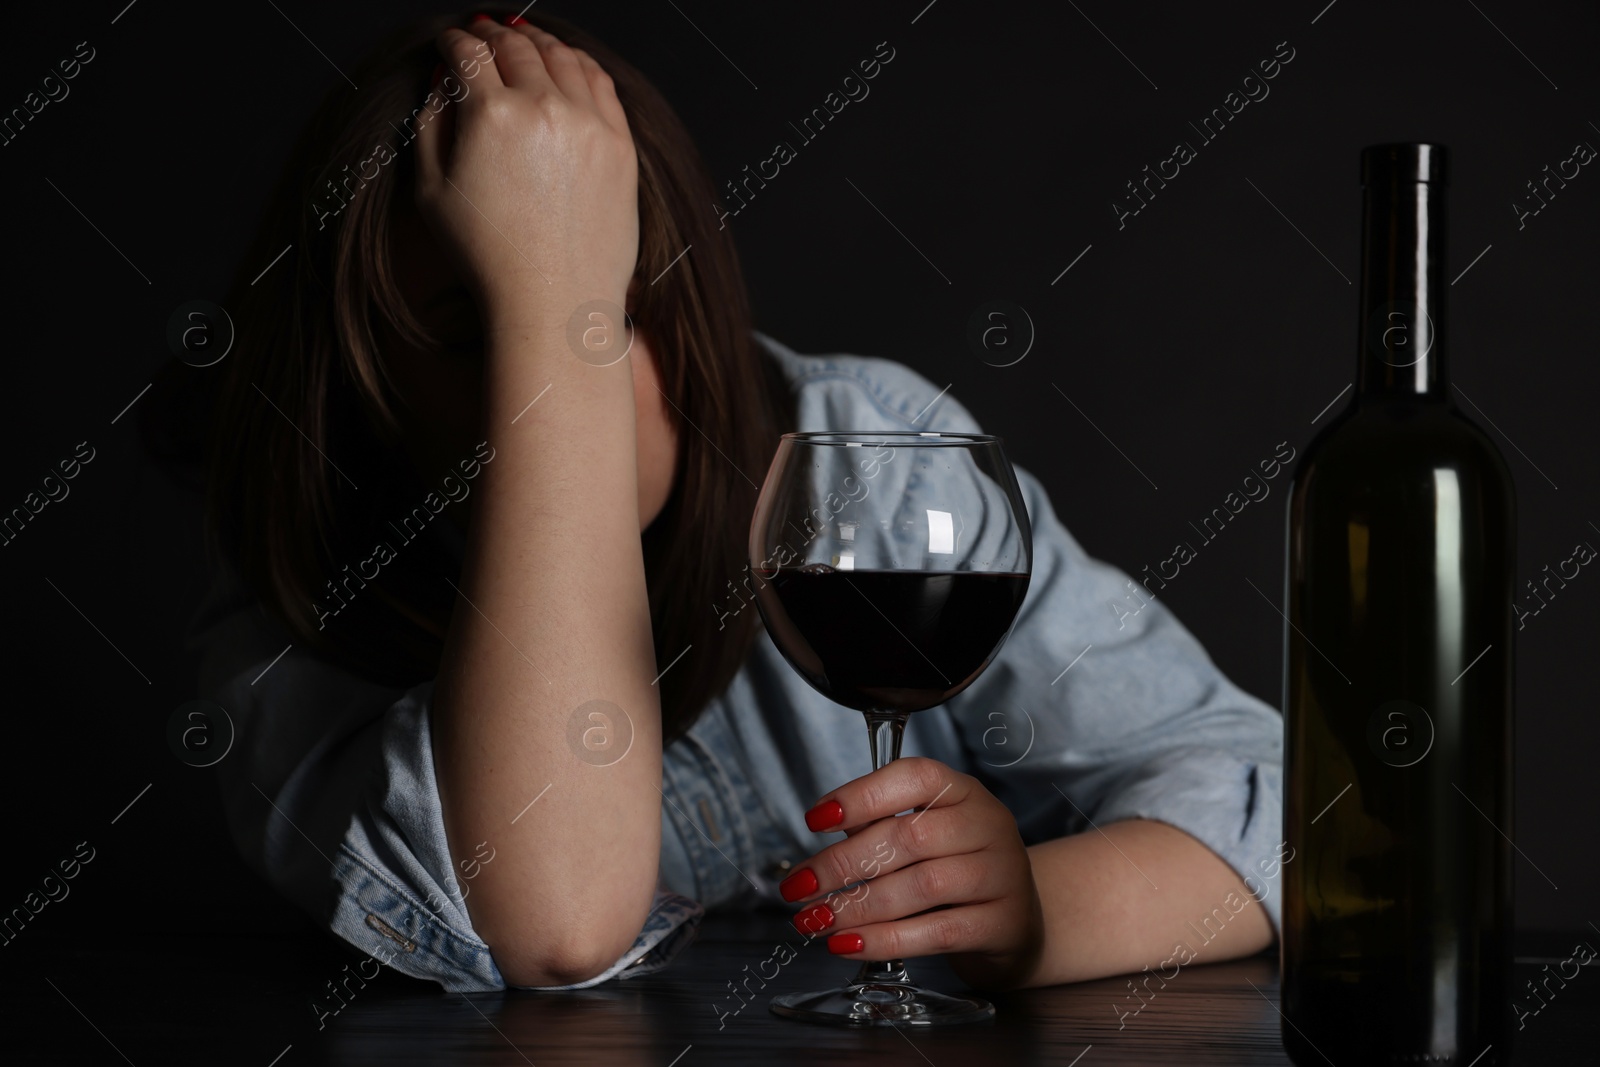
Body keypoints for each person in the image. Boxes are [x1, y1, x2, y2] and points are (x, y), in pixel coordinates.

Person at [190, 7, 1284, 995]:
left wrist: (1036, 915)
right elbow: (557, 923)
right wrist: (552, 299)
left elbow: (1270, 799)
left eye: (609, 306)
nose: (566, 382)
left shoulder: (863, 460)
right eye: (485, 328)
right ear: (364, 388)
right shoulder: (296, 627)